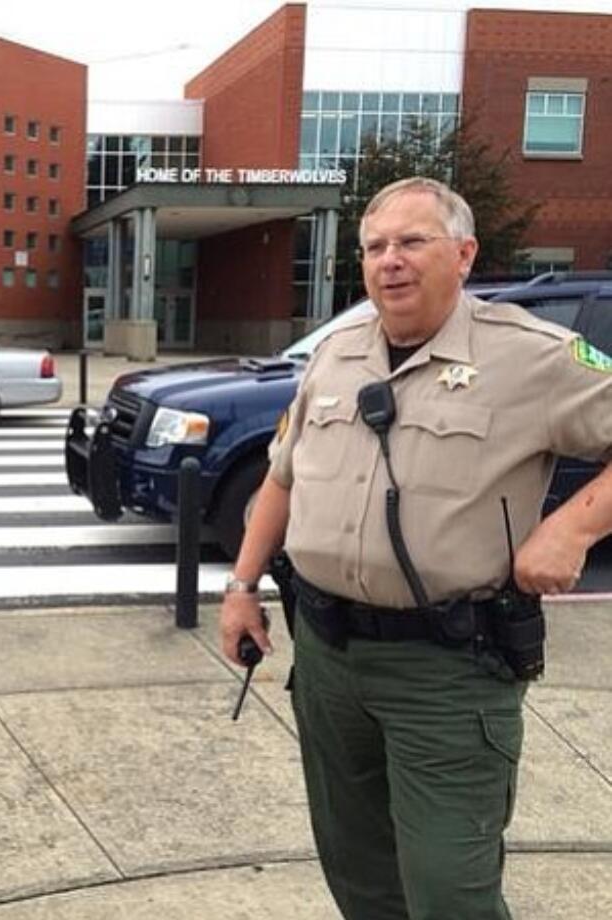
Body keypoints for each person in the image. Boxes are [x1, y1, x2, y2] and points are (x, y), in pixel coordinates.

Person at [219, 176, 612, 919]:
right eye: (374, 247)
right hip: (328, 660)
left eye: (412, 241)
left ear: (464, 254)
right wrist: (242, 589)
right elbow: (281, 479)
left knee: (448, 893)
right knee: (360, 878)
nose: (389, 261)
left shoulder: (531, 356)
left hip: (449, 672)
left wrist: (574, 526)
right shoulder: (335, 356)